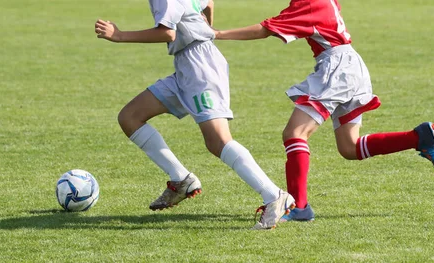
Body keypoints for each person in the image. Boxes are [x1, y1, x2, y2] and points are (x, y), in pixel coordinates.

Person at [214, 0, 434, 222]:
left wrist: (218, 34)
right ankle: (418, 137)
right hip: (350, 65)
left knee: (295, 134)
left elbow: (266, 30)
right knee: (350, 147)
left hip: (337, 68)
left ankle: (300, 207)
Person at [94, 0, 295, 229]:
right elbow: (207, 2)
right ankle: (181, 179)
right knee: (130, 117)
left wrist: (119, 35)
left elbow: (168, 33)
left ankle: (274, 196)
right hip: (187, 65)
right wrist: (205, 27)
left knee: (218, 140)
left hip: (200, 68)